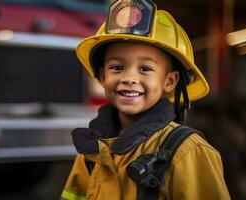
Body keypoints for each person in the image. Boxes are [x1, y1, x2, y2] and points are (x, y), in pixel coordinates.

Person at [61, 0, 231, 199]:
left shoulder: (188, 151)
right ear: (103, 76)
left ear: (169, 81)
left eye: (145, 69)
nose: (129, 78)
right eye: (116, 67)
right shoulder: (91, 148)